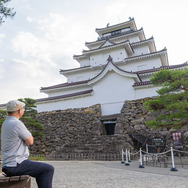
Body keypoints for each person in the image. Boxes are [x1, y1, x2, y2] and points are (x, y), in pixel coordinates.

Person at [1, 100, 54, 188]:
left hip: (8, 164)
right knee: (48, 169)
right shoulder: (16, 123)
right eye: (22, 109)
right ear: (19, 111)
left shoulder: (5, 123)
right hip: (16, 164)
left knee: (41, 170)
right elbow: (30, 141)